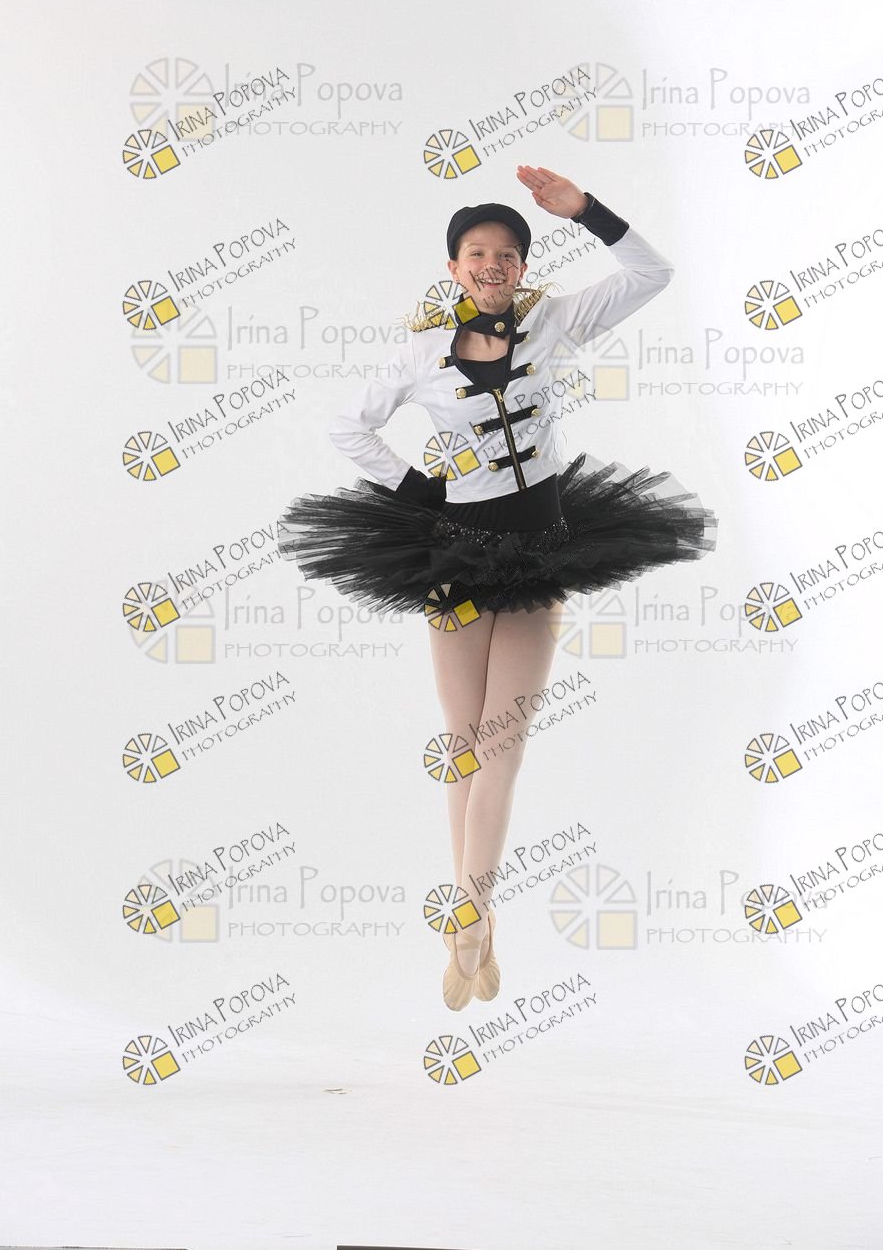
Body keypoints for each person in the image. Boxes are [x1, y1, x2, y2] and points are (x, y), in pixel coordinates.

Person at [278, 163, 716, 1010]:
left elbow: (652, 274)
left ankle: (471, 915)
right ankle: (474, 916)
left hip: (541, 550)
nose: (492, 264)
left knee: (503, 741)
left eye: (507, 253)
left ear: (522, 265)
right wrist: (417, 490)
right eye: (476, 253)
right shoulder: (419, 355)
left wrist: (585, 210)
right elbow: (347, 425)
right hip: (454, 556)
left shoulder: (555, 322)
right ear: (454, 268)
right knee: (464, 741)